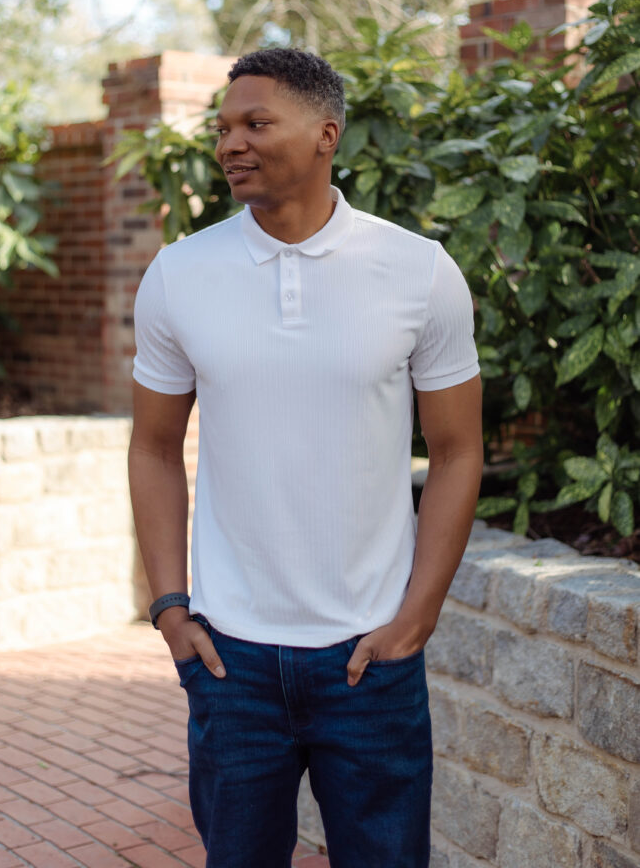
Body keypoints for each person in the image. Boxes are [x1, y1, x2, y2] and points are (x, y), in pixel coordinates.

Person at [129, 48, 483, 868]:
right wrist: (170, 609)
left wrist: (417, 615)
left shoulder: (418, 273)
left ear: (326, 134)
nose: (230, 144)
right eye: (222, 128)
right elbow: (151, 447)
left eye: (256, 123)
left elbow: (459, 449)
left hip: (370, 661)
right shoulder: (180, 274)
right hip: (229, 660)